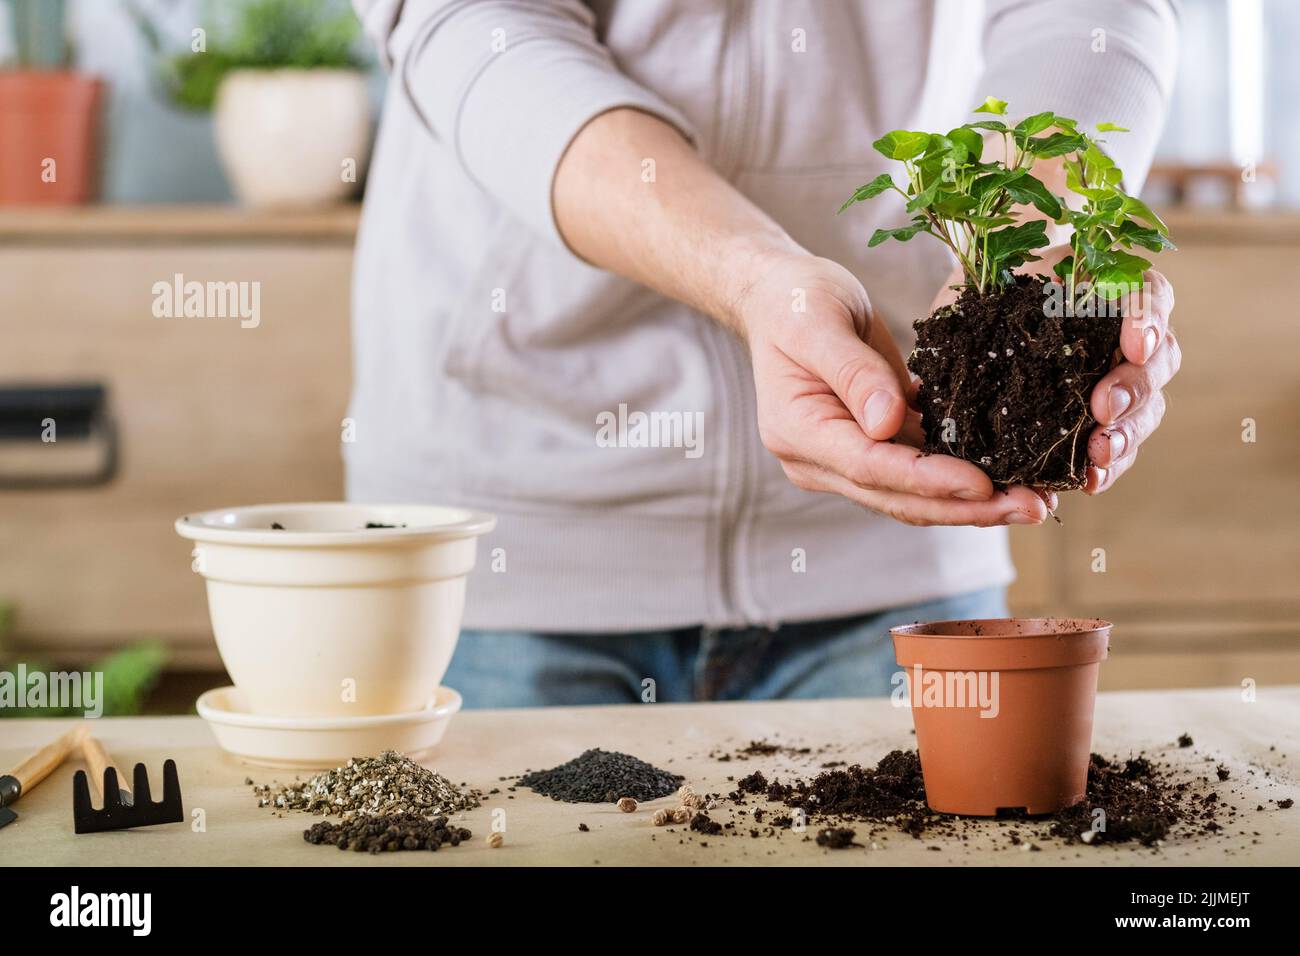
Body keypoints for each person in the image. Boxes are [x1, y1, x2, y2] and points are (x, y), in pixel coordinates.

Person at [347, 0, 1181, 706]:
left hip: (891, 509)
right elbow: (475, 27)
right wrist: (754, 277)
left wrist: (1033, 256)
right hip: (514, 522)